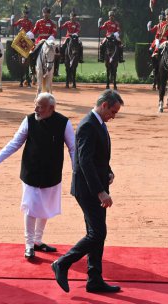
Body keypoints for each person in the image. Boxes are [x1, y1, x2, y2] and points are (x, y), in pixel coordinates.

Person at [0, 93, 75, 259]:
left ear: (51, 108)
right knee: (31, 208)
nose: (36, 109)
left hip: (52, 173)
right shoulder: (29, 120)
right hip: (31, 172)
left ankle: (38, 241)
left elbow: (73, 148)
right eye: (35, 105)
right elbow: (15, 142)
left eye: (40, 106)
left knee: (45, 207)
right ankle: (29, 245)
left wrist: (77, 170)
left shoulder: (64, 123)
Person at [51, 89, 124, 294]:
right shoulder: (88, 125)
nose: (114, 116)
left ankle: (94, 279)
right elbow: (83, 161)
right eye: (113, 111)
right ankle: (63, 263)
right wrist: (101, 192)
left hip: (95, 186)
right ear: (104, 106)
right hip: (88, 190)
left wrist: (108, 172)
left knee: (95, 233)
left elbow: (98, 157)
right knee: (98, 233)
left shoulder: (98, 123)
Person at [27, 7, 57, 75]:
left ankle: (55, 70)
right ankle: (32, 70)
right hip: (40, 41)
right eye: (44, 13)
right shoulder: (39, 22)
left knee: (56, 53)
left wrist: (50, 39)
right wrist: (28, 35)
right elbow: (34, 31)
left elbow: (54, 33)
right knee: (32, 53)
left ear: (49, 14)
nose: (45, 14)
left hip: (49, 41)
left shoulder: (53, 23)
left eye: (47, 13)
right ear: (42, 13)